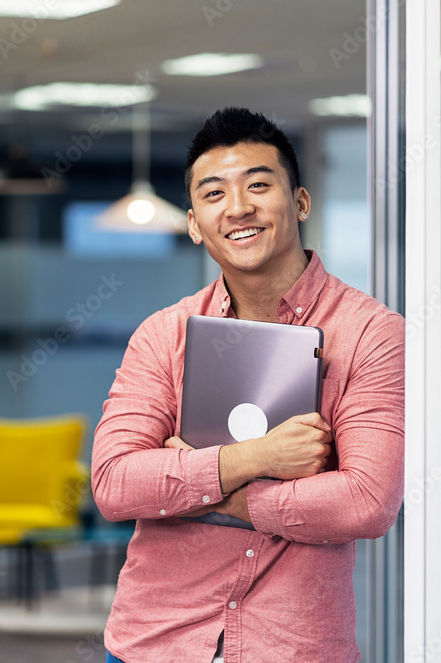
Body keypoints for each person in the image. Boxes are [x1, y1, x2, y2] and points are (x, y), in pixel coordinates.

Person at [91, 107, 404, 662]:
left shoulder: (372, 334)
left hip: (293, 646)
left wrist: (208, 490)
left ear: (301, 202)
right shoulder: (165, 334)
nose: (238, 208)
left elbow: (365, 502)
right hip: (153, 642)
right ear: (194, 223)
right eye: (213, 195)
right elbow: (115, 483)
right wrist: (261, 456)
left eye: (259, 185)